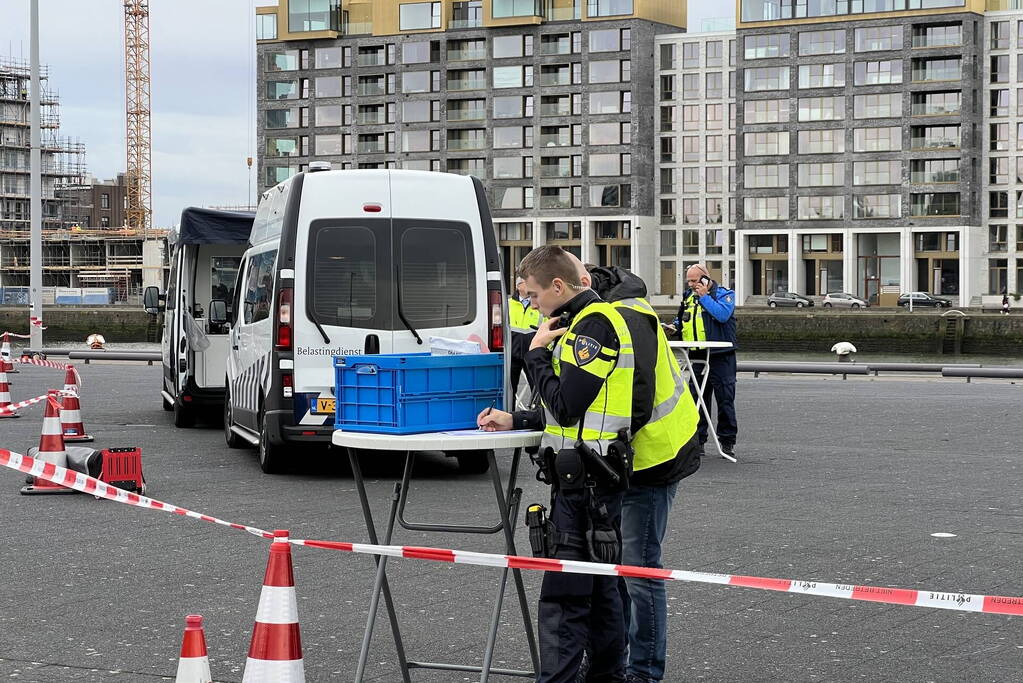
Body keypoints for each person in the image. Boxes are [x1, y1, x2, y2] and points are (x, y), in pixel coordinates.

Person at [479, 245, 632, 683]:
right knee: (603, 594)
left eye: (532, 294)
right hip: (592, 475)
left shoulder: (594, 326)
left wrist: (535, 354)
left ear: (558, 286)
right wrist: (519, 418)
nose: (529, 304)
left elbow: (566, 406)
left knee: (566, 600)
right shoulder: (585, 321)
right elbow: (579, 409)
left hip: (586, 484)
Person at [585, 262, 701, 683]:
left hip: (652, 459)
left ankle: (644, 672)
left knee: (639, 568)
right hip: (631, 457)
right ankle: (618, 663)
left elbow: (635, 397)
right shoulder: (620, 313)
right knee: (621, 566)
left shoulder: (623, 319)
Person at [671, 264, 738, 457]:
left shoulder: (725, 294)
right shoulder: (688, 297)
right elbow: (684, 319)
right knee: (696, 398)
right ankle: (698, 441)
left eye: (694, 281)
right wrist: (674, 327)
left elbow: (722, 315)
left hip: (721, 355)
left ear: (705, 279)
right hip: (697, 355)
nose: (691, 285)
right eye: (689, 281)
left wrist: (705, 297)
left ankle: (727, 441)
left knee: (725, 398)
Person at [508, 276, 542, 406]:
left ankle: (536, 413)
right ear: (518, 286)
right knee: (510, 388)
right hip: (513, 353)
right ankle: (509, 414)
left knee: (537, 386)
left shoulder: (537, 304)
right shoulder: (509, 304)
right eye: (525, 283)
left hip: (532, 353)